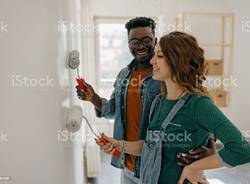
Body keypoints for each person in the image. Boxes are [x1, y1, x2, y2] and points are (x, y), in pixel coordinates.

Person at [95, 31, 250, 184]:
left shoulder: (198, 104)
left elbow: (242, 150)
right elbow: (150, 146)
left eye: (160, 56)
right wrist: (119, 145)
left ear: (178, 61)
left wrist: (194, 167)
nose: (152, 61)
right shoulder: (159, 101)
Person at [76, 17, 214, 184]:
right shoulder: (123, 75)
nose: (141, 46)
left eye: (146, 40)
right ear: (128, 44)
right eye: (134, 42)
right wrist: (93, 98)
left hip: (159, 167)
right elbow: (112, 110)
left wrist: (211, 148)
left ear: (155, 40)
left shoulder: (167, 75)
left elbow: (199, 110)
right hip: (128, 164)